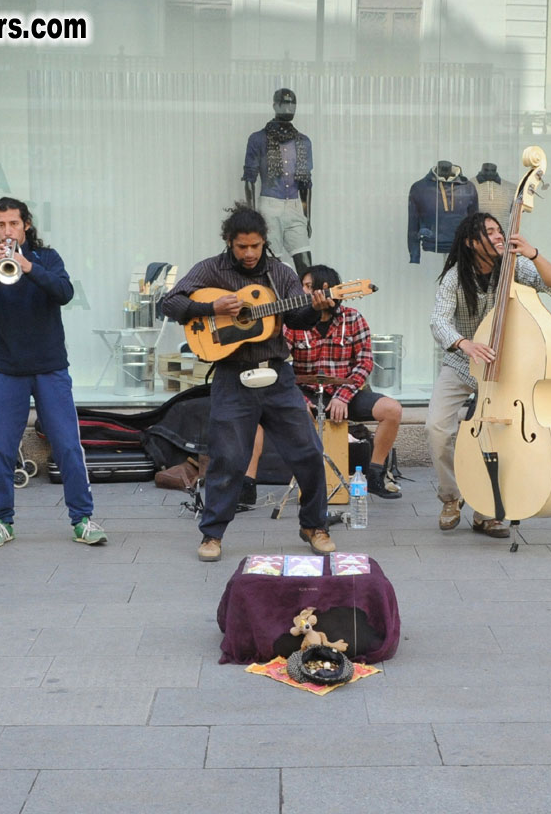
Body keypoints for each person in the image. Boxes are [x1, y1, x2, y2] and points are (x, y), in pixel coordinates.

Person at [162, 204, 336, 562]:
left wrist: (318, 308)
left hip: (277, 375)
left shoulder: (280, 273)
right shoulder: (211, 269)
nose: (250, 253)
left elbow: (298, 319)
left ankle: (314, 525)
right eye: (242, 247)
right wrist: (211, 310)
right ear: (230, 242)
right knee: (227, 458)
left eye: (255, 246)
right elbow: (171, 302)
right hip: (231, 376)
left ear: (264, 242)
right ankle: (212, 535)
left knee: (307, 451)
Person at [0, 197, 106, 548]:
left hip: (50, 368)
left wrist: (27, 266)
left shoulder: (48, 259)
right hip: (8, 370)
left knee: (67, 446)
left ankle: (83, 519)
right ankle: (2, 521)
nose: (7, 231)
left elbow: (64, 292)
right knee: (0, 448)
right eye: (1, 225)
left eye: (13, 224)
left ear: (26, 225)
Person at [427, 211, 551, 537]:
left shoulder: (514, 266)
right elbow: (438, 322)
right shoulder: (456, 277)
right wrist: (465, 344)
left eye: (499, 230)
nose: (499, 235)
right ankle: (451, 497)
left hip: (508, 371)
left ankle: (488, 507)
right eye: (490, 232)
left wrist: (532, 252)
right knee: (436, 427)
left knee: (502, 436)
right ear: (473, 243)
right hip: (464, 364)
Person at [283, 263, 404, 499]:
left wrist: (342, 396)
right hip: (307, 392)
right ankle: (313, 480)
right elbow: (281, 364)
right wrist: (297, 398)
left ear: (325, 289)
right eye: (302, 287)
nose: (303, 292)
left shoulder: (353, 318)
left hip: (344, 391)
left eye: (308, 287)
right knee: (297, 412)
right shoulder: (294, 323)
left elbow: (365, 362)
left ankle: (375, 474)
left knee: (392, 410)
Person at [243, 88, 313, 274]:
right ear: (275, 106)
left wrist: (307, 217)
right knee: (272, 264)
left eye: (292, 104)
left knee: (306, 266)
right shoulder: (258, 139)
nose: (289, 109)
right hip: (269, 206)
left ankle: (306, 302)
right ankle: (276, 303)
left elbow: (306, 183)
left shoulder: (303, 142)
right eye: (284, 104)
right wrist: (252, 217)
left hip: (295, 206)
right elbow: (250, 179)